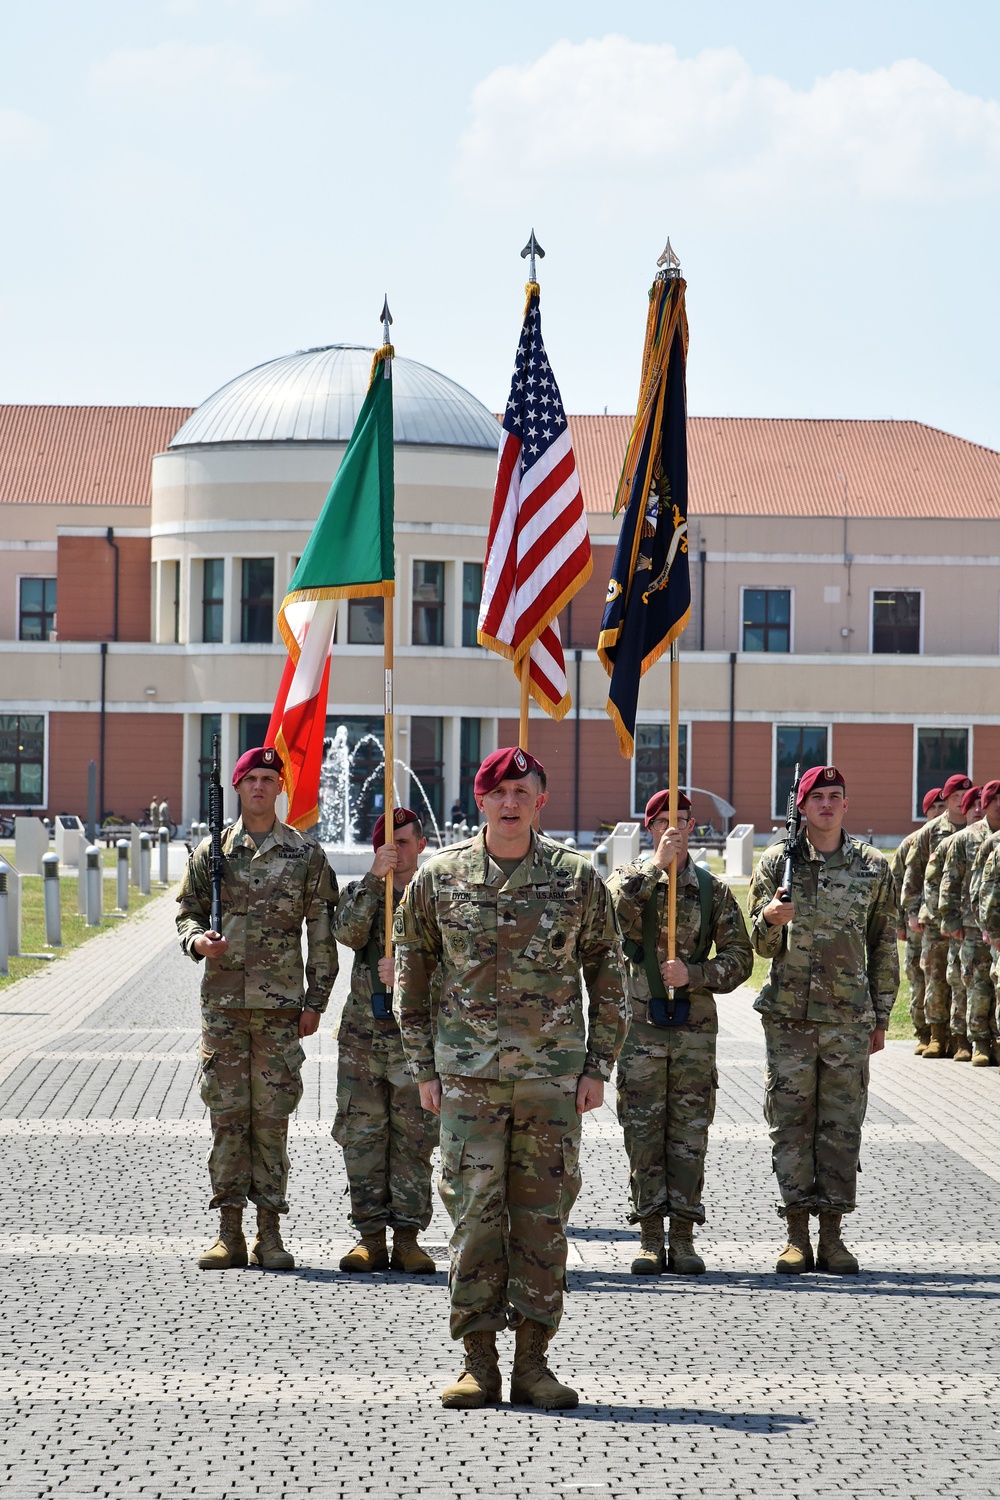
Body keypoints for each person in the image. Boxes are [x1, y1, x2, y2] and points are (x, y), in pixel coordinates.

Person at [393, 746, 626, 1411]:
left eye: (523, 790)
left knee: (543, 1221)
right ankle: (477, 1362)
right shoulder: (439, 878)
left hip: (552, 1083)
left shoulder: (577, 878)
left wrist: (597, 1066)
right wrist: (422, 1068)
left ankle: (533, 1364)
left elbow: (609, 977)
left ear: (540, 801)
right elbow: (413, 977)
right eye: (499, 791)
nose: (511, 801)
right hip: (466, 1083)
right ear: (481, 800)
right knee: (472, 1221)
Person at [176, 746, 339, 1271]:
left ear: (279, 788)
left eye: (271, 778)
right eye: (253, 779)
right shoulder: (212, 853)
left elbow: (322, 933)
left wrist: (316, 1000)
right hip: (223, 1008)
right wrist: (200, 941)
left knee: (272, 1120)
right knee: (227, 1118)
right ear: (239, 787)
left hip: (279, 1010)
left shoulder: (305, 856)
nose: (261, 787)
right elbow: (187, 913)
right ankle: (229, 1232)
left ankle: (270, 1233)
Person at [747, 765, 899, 1275]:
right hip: (789, 1018)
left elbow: (883, 944)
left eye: (836, 796)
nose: (828, 805)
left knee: (840, 1128)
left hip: (848, 1020)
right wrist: (769, 920)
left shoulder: (873, 866)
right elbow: (757, 945)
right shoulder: (777, 862)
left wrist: (881, 1014)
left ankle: (832, 1236)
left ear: (846, 806)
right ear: (802, 807)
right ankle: (795, 1236)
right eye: (818, 798)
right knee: (789, 1126)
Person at [606, 789, 752, 1276]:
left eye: (683, 820)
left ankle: (684, 1235)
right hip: (640, 1032)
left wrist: (696, 973)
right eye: (664, 820)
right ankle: (649, 1235)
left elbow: (741, 960)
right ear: (649, 828)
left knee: (689, 1135)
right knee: (643, 1133)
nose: (675, 828)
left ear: (694, 827)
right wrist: (654, 870)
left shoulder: (712, 891)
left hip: (692, 1032)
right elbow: (608, 924)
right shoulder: (627, 881)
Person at [332, 807, 439, 1274]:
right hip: (363, 1037)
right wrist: (376, 879)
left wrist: (414, 972)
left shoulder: (440, 895)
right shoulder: (362, 891)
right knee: (363, 1138)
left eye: (407, 841)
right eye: (388, 844)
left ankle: (409, 1238)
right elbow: (347, 933)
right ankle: (370, 1237)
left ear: (421, 844)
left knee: (414, 1139)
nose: (399, 850)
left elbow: (465, 961)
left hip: (417, 1037)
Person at [902, 774, 973, 1059]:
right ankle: (934, 1036)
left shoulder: (976, 830)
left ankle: (960, 1038)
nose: (959, 800)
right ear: (946, 798)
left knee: (959, 979)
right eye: (954, 795)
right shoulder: (931, 832)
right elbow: (913, 873)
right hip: (931, 918)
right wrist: (910, 912)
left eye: (963, 796)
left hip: (964, 917)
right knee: (934, 978)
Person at [940, 780, 1000, 1066]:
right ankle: (976, 1041)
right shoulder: (967, 838)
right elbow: (951, 879)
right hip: (971, 924)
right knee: (975, 982)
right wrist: (950, 918)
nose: (999, 804)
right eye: (993, 799)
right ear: (983, 804)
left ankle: (995, 1038)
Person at [889, 787, 942, 1054]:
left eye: (944, 807)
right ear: (926, 810)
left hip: (939, 923)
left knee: (941, 978)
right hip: (916, 925)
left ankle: (942, 1033)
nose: (940, 812)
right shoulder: (912, 842)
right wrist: (900, 923)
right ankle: (922, 1032)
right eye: (936, 807)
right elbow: (897, 883)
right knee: (918, 977)